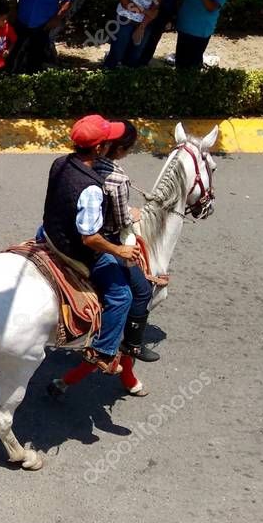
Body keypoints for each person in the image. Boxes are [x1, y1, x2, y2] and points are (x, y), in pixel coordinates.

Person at [39, 115, 138, 374]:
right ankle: (103, 351)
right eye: (107, 141)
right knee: (121, 296)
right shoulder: (92, 188)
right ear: (98, 148)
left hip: (49, 234)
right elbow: (90, 238)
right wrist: (120, 250)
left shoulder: (60, 162)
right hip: (75, 250)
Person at [93, 121, 159, 362]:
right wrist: (133, 213)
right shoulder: (118, 178)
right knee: (141, 291)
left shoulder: (78, 164)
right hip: (104, 239)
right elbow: (121, 220)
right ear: (120, 150)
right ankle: (129, 345)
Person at [174, 0, 230, 69]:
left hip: (200, 31)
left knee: (191, 67)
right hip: (184, 25)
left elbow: (211, 7)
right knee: (180, 64)